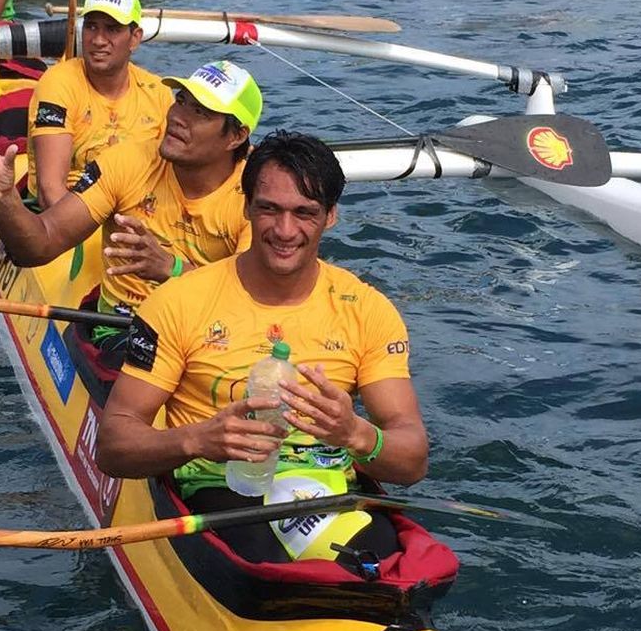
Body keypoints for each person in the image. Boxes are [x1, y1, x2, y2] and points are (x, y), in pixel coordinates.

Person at [94, 131, 428, 565]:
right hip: (218, 485)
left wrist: (354, 433)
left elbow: (413, 461)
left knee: (381, 561)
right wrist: (198, 438)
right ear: (247, 207)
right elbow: (113, 445)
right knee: (262, 559)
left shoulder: (368, 310)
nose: (285, 231)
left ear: (330, 217)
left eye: (304, 213)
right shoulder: (177, 301)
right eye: (269, 209)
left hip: (323, 488)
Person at [0, 59, 261, 376]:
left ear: (236, 136)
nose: (178, 117)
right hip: (123, 327)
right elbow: (39, 245)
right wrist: (4, 200)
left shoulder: (260, 197)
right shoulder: (128, 161)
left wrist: (171, 270)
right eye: (181, 101)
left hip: (212, 338)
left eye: (200, 112)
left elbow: (253, 301)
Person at [27, 0, 171, 209]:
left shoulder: (159, 92)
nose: (98, 40)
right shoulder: (58, 82)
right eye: (91, 27)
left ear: (135, 38)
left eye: (112, 29)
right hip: (66, 212)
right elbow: (50, 191)